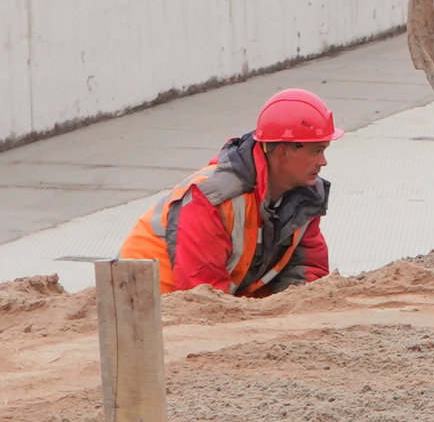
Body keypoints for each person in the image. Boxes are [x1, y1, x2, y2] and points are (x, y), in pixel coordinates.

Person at [120, 89, 336, 296]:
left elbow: (309, 270)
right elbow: (200, 292)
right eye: (317, 151)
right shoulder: (212, 199)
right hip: (145, 298)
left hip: (219, 296)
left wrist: (289, 309)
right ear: (282, 152)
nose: (323, 162)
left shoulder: (306, 197)